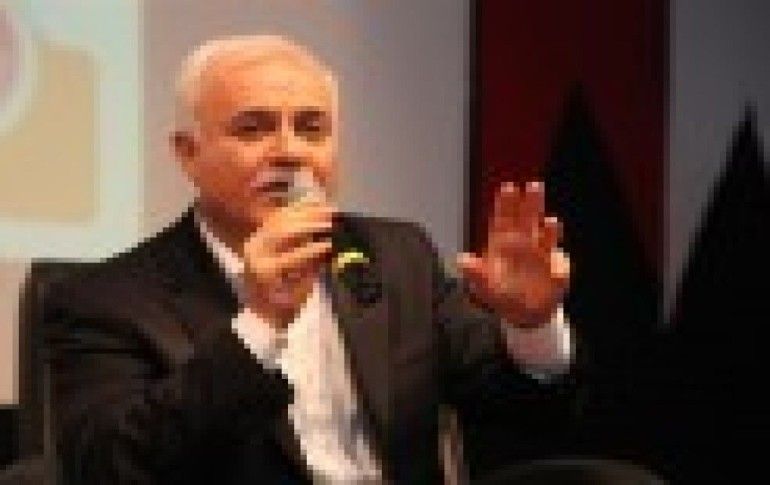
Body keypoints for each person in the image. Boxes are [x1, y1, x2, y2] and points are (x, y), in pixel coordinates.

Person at [33, 35, 581, 484]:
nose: (290, 151)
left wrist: (529, 325)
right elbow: (110, 469)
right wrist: (260, 323)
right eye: (253, 128)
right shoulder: (107, 299)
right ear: (188, 154)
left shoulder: (396, 257)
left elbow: (528, 412)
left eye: (311, 128)